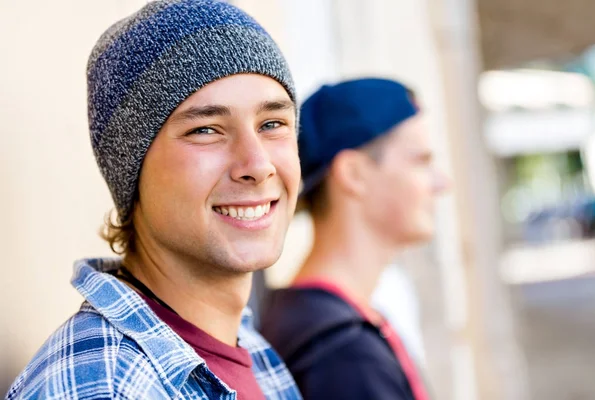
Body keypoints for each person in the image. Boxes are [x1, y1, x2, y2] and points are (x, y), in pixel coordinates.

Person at [6, 1, 302, 399]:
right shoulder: (106, 387)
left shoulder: (249, 348)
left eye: (272, 124)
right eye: (206, 130)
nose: (257, 164)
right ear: (131, 166)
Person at [261, 78, 450, 399]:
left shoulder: (329, 322)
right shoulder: (342, 354)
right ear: (353, 174)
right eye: (421, 161)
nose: (442, 183)